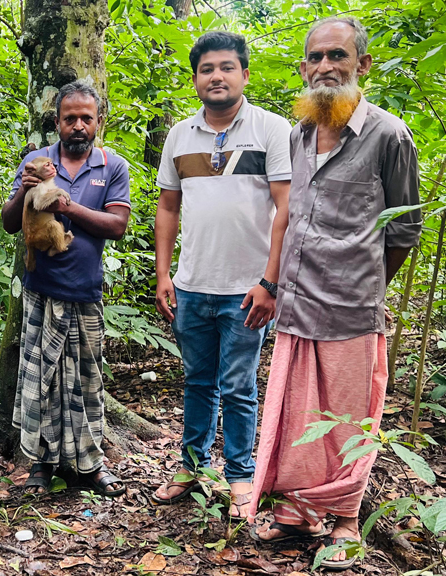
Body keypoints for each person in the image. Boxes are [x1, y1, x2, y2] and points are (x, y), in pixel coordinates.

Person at [248, 17, 421, 571]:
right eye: (316, 58)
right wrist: (273, 285)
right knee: (301, 416)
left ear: (361, 65)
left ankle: (345, 520)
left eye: (337, 57)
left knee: (349, 419)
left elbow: (405, 229)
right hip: (297, 302)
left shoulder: (389, 135)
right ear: (303, 68)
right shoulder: (297, 134)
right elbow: (290, 216)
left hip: (351, 308)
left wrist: (367, 281)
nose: (326, 67)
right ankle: (299, 511)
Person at [150, 31, 292, 519]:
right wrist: (164, 273)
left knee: (238, 385)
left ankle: (239, 477)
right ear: (195, 79)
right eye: (207, 69)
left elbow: (285, 209)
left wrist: (270, 283)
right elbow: (167, 208)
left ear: (244, 74)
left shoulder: (271, 130)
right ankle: (191, 468)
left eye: (227, 67)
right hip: (191, 285)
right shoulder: (180, 135)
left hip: (247, 290)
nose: (217, 76)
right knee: (197, 382)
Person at [1, 81, 131, 498]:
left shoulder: (112, 166)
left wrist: (68, 208)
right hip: (41, 292)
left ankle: (89, 464)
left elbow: (117, 226)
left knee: (87, 383)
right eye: (69, 118)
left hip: (86, 294)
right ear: (56, 121)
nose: (78, 125)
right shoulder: (36, 160)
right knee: (41, 383)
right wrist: (24, 189)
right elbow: (9, 223)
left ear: (98, 122)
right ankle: (42, 463)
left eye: (86, 118)